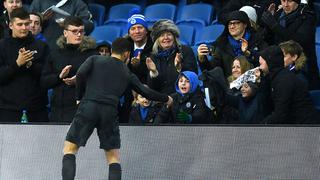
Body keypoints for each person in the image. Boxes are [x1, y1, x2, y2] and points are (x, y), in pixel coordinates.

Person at [61, 37, 173, 180]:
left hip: (88, 106)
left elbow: (81, 74)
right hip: (110, 111)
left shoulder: (94, 59)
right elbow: (146, 92)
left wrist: (78, 97)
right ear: (126, 54)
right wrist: (167, 98)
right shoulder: (127, 72)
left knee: (70, 150)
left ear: (112, 50)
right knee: (113, 158)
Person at [41, 16, 97, 123]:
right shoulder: (55, 53)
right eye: (74, 31)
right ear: (65, 33)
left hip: (83, 110)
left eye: (81, 31)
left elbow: (100, 80)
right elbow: (44, 81)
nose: (79, 34)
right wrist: (59, 76)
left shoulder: (92, 54)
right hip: (58, 110)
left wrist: (80, 80)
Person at [0, 8, 49, 122]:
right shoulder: (2, 46)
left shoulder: (41, 46)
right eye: (20, 24)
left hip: (37, 108)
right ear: (11, 25)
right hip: (7, 108)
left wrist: (29, 64)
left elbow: (46, 76)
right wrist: (17, 64)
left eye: (27, 24)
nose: (24, 28)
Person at [261, 0, 320, 89]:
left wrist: (274, 26)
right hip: (280, 66)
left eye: (290, 1)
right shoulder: (279, 14)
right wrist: (267, 25)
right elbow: (270, 40)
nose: (285, 5)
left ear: (297, 2)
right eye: (283, 1)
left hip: (302, 68)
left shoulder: (307, 16)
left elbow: (300, 41)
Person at [259, 45, 319, 123]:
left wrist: (262, 125)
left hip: (305, 127)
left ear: (270, 62)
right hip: (295, 125)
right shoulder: (276, 77)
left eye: (261, 64)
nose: (260, 67)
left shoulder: (284, 80)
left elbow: (280, 114)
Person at [197, 10, 266, 78]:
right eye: (230, 23)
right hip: (229, 86)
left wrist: (248, 53)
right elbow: (212, 71)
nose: (232, 26)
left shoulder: (257, 41)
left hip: (254, 84)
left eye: (236, 23)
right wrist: (202, 59)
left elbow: (264, 65)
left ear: (245, 24)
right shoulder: (221, 45)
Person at [146, 19, 198, 95]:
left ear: (174, 37)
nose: (166, 37)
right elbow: (152, 88)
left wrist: (179, 68)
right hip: (162, 100)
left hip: (182, 98)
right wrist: (154, 73)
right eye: (162, 35)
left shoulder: (185, 51)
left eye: (169, 34)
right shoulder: (153, 56)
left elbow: (193, 79)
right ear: (157, 40)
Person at [29, 0, 94, 50]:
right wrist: (42, 19)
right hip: (41, 46)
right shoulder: (38, 2)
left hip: (68, 47)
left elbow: (89, 26)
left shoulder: (77, 3)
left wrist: (70, 23)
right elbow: (27, 25)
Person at [125, 8, 153, 84]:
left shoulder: (155, 47)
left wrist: (138, 66)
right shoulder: (125, 48)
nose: (137, 31)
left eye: (140, 27)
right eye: (133, 29)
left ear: (146, 31)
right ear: (129, 33)